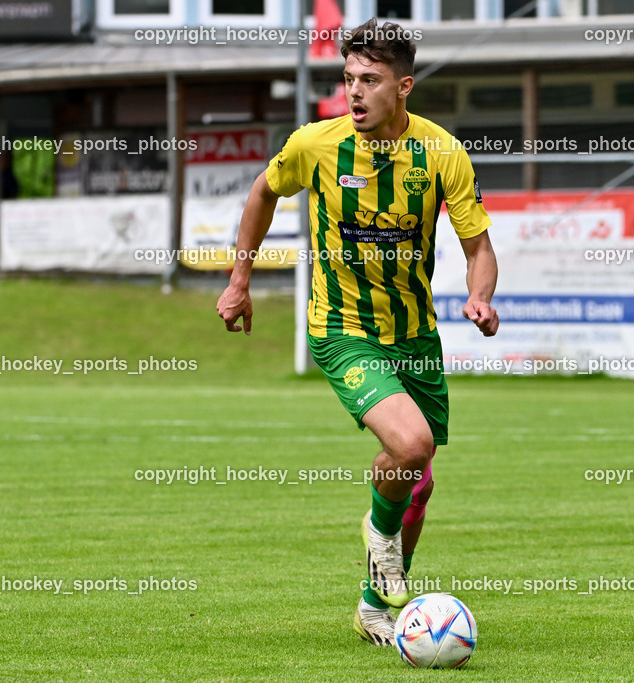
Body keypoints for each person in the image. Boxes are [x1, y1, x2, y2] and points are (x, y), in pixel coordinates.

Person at [216, 18, 499, 644]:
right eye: (348, 79)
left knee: (417, 482)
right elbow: (263, 192)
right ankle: (379, 534)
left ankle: (375, 605)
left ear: (404, 87)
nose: (355, 92)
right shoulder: (315, 144)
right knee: (412, 447)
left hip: (414, 335)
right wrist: (240, 279)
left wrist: (480, 298)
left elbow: (479, 246)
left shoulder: (441, 153)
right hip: (341, 326)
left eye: (369, 80)